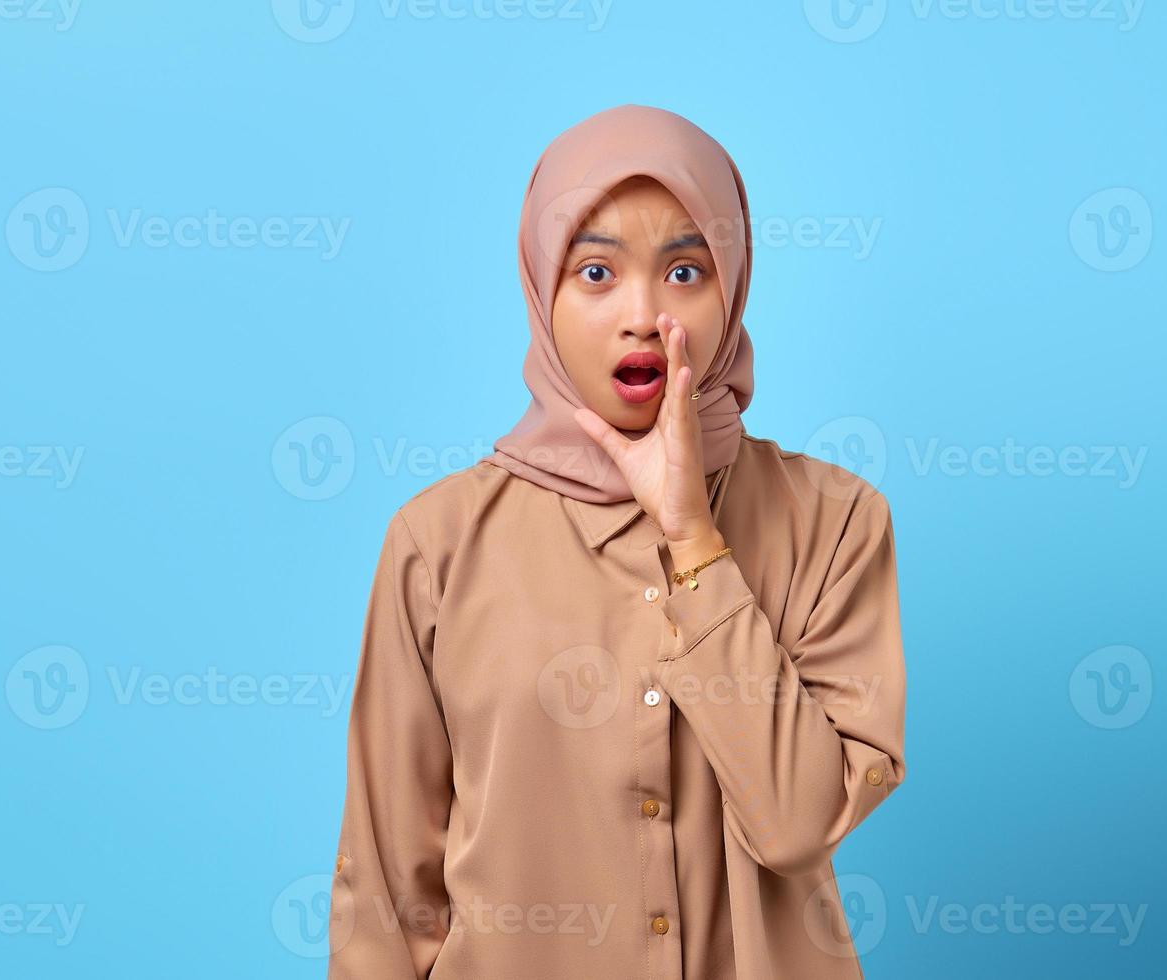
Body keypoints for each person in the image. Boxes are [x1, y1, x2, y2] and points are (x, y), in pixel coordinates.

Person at [327, 103, 907, 980]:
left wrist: (693, 539)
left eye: (685, 270)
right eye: (595, 271)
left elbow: (794, 823)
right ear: (540, 288)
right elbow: (383, 888)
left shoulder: (836, 522)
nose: (644, 315)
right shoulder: (436, 544)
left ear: (735, 285)